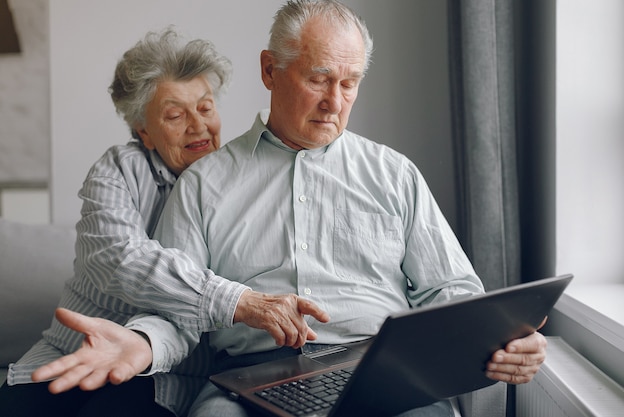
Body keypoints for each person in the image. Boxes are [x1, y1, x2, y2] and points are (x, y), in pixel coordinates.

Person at [28, 1, 548, 416]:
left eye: (350, 83)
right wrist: (142, 343)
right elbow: (178, 317)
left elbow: (451, 291)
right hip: (247, 383)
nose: (335, 101)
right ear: (269, 70)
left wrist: (502, 339)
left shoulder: (394, 174)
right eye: (319, 78)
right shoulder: (204, 184)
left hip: (384, 372)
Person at [0, 28, 237, 417]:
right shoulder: (119, 169)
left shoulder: (238, 186)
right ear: (144, 131)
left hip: (164, 376)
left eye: (206, 107)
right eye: (176, 114)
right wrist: (232, 301)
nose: (198, 125)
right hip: (71, 353)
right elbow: (120, 259)